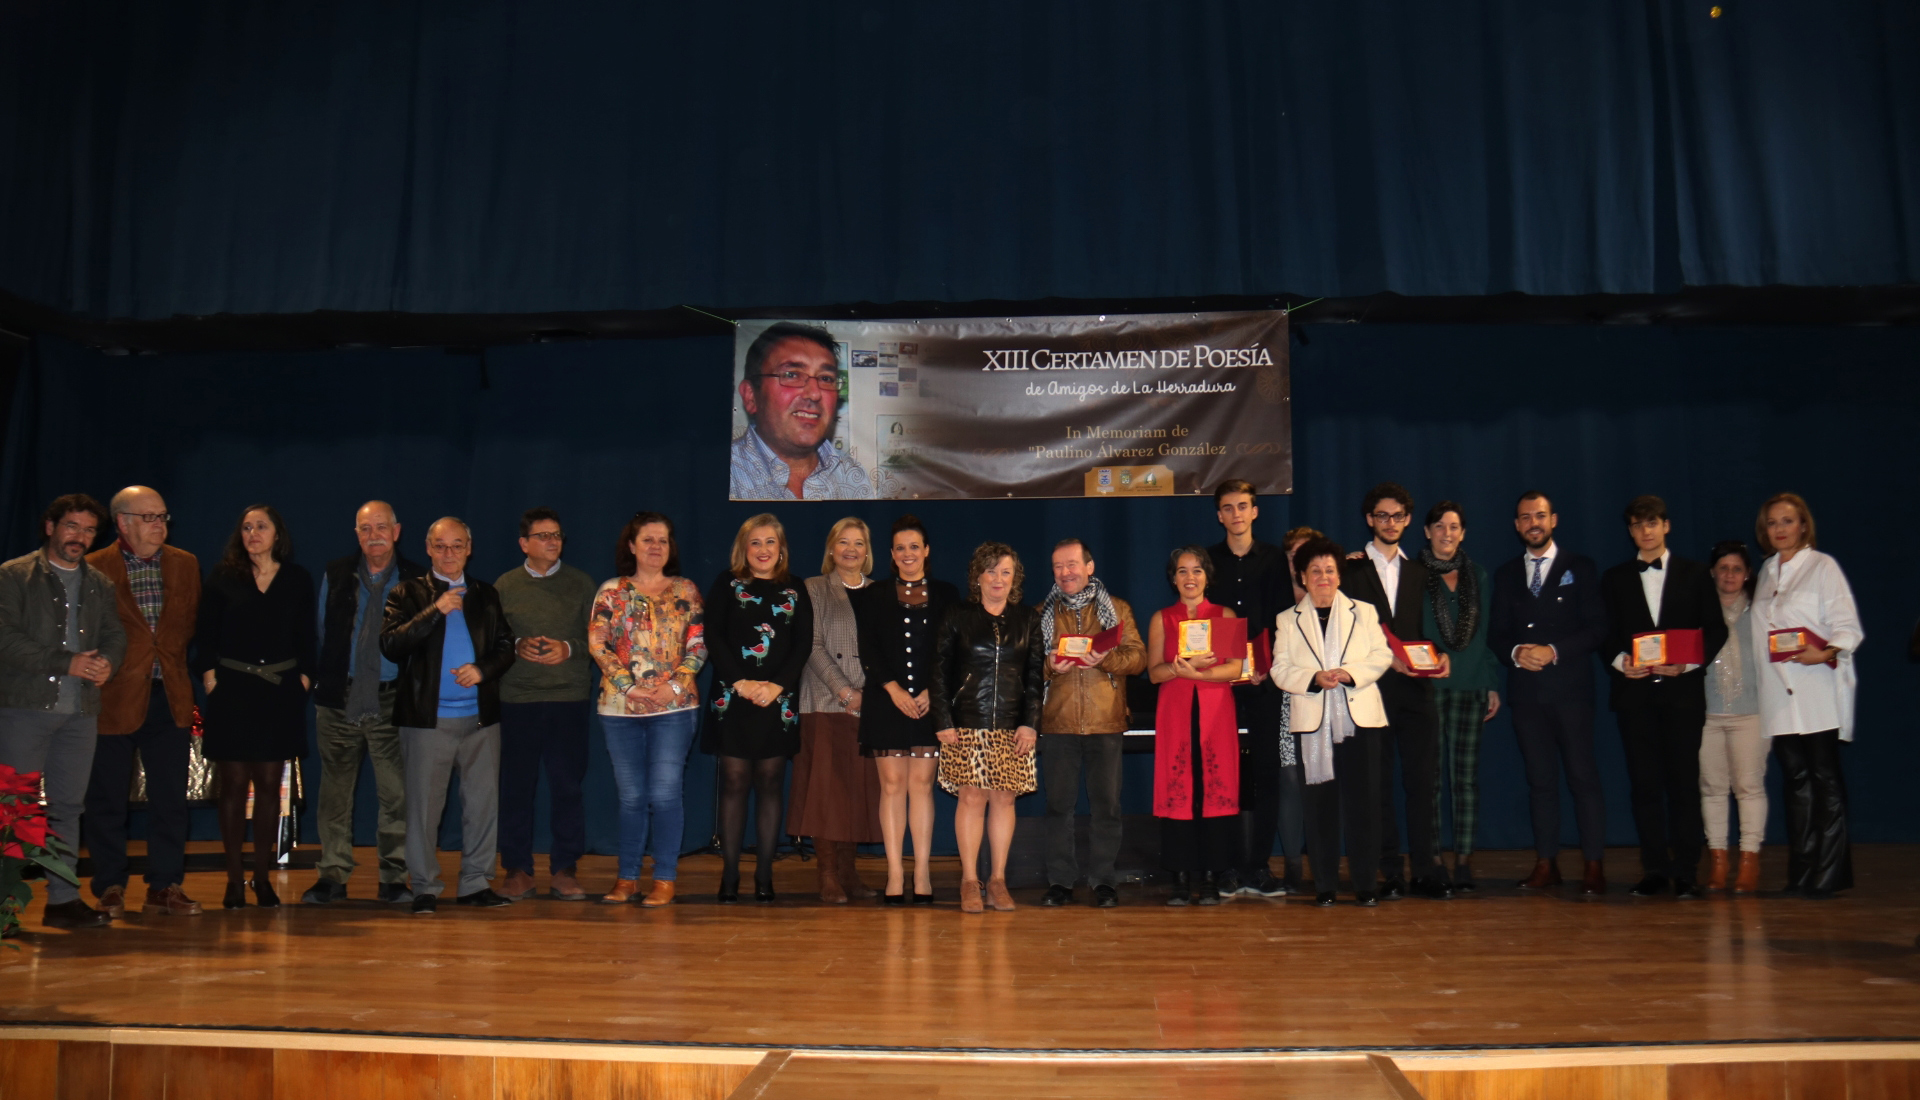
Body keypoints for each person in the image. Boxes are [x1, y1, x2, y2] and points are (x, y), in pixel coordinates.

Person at [0, 494, 126, 929]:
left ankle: (62, 900)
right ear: (50, 526)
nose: (81, 537)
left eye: (89, 531)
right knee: (13, 809)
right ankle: (5, 907)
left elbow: (114, 634)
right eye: (73, 526)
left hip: (80, 712)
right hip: (24, 710)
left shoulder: (99, 583)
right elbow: (5, 638)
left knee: (68, 809)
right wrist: (65, 662)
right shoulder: (14, 575)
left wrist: (108, 662)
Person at [380, 517, 516, 914]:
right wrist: (434, 611)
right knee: (423, 809)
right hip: (427, 721)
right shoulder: (406, 593)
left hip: (480, 720)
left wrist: (483, 670)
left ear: (469, 549)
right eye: (441, 546)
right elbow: (391, 645)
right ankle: (424, 886)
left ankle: (476, 883)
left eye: (457, 546)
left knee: (482, 806)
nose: (449, 553)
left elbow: (506, 645)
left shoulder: (485, 594)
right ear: (428, 549)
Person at [1600, 495, 1727, 901]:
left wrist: (1686, 664)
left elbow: (1716, 629)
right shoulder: (1615, 578)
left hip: (1682, 696)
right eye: (1638, 525)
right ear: (1630, 531)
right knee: (1645, 786)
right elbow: (1604, 633)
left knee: (1684, 785)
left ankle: (1686, 871)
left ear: (1666, 526)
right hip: (1635, 696)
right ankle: (1654, 870)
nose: (1646, 531)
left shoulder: (1696, 573)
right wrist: (1621, 662)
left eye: (1652, 523)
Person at [84, 486, 202, 918]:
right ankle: (110, 886)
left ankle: (164, 886)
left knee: (170, 800)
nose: (159, 525)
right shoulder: (94, 566)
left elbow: (187, 626)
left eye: (163, 516)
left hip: (169, 695)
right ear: (123, 522)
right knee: (107, 800)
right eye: (149, 517)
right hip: (112, 697)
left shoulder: (185, 563)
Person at [192, 505, 316, 910]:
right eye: (246, 527)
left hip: (279, 693)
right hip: (232, 692)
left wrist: (304, 679)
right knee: (232, 786)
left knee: (268, 787)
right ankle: (233, 880)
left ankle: (262, 879)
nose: (253, 533)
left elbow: (307, 636)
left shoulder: (296, 578)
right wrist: (209, 677)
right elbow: (204, 633)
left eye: (261, 526)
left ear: (277, 534)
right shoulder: (223, 576)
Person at [1487, 490, 1609, 895]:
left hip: (1571, 691)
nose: (1533, 523)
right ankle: (1546, 863)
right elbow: (1496, 634)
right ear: (1516, 525)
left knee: (1583, 777)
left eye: (1539, 515)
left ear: (1553, 519)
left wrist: (1554, 650)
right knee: (1540, 781)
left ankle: (1593, 864)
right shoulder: (1506, 574)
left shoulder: (1581, 567)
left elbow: (1597, 628)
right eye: (1525, 517)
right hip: (1527, 695)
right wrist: (1516, 652)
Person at [305, 500, 422, 905]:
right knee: (334, 795)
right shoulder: (336, 573)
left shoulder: (416, 579)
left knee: (396, 795)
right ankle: (332, 875)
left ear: (397, 531)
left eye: (381, 527)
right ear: (357, 534)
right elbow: (324, 631)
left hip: (393, 700)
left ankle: (393, 877)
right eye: (366, 529)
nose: (374, 536)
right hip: (340, 698)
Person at [1339, 483, 1452, 900]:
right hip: (1371, 692)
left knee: (1423, 784)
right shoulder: (1349, 571)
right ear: (1370, 519)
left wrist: (1441, 655)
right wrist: (1387, 660)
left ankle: (1425, 868)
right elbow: (1344, 634)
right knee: (1378, 785)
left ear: (1408, 520)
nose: (1391, 523)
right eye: (1383, 515)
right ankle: (1389, 871)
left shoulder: (1422, 572)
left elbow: (1429, 631)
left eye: (1398, 516)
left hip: (1417, 693)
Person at [587, 512, 706, 907]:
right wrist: (630, 687)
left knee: (665, 794)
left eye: (663, 540)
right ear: (632, 546)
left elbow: (699, 644)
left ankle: (665, 878)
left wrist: (674, 686)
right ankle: (628, 877)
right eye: (648, 539)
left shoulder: (686, 590)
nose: (656, 547)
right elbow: (598, 644)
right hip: (620, 709)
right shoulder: (611, 591)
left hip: (674, 708)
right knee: (631, 797)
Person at [1751, 492, 1861, 899]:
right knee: (1796, 782)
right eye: (1772, 523)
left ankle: (1829, 874)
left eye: (1787, 521)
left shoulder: (1822, 567)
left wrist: (1826, 652)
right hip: (1778, 694)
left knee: (1825, 780)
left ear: (1803, 526)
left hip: (1815, 689)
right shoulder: (1765, 572)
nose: (1779, 529)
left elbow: (1847, 626)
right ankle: (1801, 873)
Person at [1273, 537, 1393, 906]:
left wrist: (1350, 674)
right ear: (1303, 577)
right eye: (1315, 571)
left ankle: (1365, 884)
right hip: (1313, 722)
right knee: (1319, 807)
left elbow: (1381, 656)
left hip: (1360, 720)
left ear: (1339, 575)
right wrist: (1313, 678)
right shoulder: (1287, 620)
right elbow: (1280, 670)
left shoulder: (1364, 612)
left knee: (1364, 805)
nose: (1323, 577)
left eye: (1329, 570)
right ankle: (1325, 885)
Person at [703, 514, 814, 903]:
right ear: (743, 548)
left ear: (781, 548)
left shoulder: (795, 588)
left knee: (770, 782)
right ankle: (730, 874)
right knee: (734, 782)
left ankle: (765, 875)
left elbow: (803, 643)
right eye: (755, 542)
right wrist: (741, 682)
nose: (763, 549)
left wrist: (776, 686)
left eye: (770, 542)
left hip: (777, 700)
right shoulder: (727, 584)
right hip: (733, 696)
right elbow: (713, 636)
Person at [931, 541, 1043, 914]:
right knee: (971, 798)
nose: (998, 579)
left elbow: (1035, 676)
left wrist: (1030, 724)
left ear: (1015, 578)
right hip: (966, 724)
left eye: (1005, 572)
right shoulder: (957, 615)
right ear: (977, 577)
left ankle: (997, 881)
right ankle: (969, 881)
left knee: (1004, 799)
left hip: (1012, 727)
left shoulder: (1028, 619)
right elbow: (939, 671)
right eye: (991, 571)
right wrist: (943, 720)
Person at [493, 507, 598, 902]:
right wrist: (516, 645)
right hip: (517, 699)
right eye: (543, 536)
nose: (553, 542)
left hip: (568, 698)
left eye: (557, 535)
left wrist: (569, 648)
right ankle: (517, 870)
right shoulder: (505, 585)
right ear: (524, 543)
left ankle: (565, 869)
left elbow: (601, 639)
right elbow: (492, 640)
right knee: (516, 788)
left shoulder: (582, 583)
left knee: (567, 787)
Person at [1035, 538, 1146, 909]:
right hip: (1058, 723)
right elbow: (1025, 670)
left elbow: (1139, 659)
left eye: (1071, 564)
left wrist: (1106, 659)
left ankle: (1103, 881)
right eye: (1058, 566)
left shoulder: (1118, 608)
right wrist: (1049, 665)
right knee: (1058, 808)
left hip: (1105, 720)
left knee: (1107, 808)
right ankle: (1060, 882)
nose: (1065, 572)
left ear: (1089, 567)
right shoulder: (1041, 613)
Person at [852, 515, 956, 905]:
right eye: (900, 548)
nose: (907, 554)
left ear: (926, 551)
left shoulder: (947, 593)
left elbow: (952, 649)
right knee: (892, 786)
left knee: (921, 787)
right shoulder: (874, 594)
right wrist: (893, 689)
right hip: (886, 702)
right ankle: (895, 872)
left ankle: (922, 871)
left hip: (930, 703)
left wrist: (933, 690)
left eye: (914, 546)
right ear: (892, 555)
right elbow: (868, 648)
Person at [1206, 479, 1303, 898]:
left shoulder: (1276, 560)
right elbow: (1204, 622)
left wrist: (1268, 666)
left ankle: (1259, 866)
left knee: (1266, 773)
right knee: (1223, 772)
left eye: (1243, 506)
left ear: (1255, 511)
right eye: (1228, 508)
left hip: (1265, 683)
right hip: (1220, 685)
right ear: (1219, 515)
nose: (1237, 514)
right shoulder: (1208, 561)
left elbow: (1285, 619)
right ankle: (1227, 866)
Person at [792, 518, 882, 903]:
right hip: (825, 702)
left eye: (858, 543)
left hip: (870, 706)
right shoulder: (814, 588)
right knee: (825, 793)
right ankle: (826, 873)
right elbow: (811, 645)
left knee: (856, 793)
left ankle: (849, 873)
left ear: (867, 552)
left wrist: (870, 694)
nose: (851, 550)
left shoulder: (880, 592)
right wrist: (845, 691)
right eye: (843, 542)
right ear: (831, 548)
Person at [1147, 546, 1243, 907]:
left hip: (1216, 710)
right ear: (1173, 578)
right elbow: (1154, 673)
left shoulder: (1225, 614)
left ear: (1207, 576)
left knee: (1213, 787)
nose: (1190, 578)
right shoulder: (1161, 618)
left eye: (1197, 571)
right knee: (1179, 789)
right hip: (1176, 710)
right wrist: (1181, 668)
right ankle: (1180, 879)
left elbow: (1235, 668)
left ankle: (1212, 878)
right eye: (1182, 571)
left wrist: (1199, 673)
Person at [1417, 503, 1499, 892]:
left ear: (1463, 533)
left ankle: (1463, 859)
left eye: (1453, 527)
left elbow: (1486, 632)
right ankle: (1434, 859)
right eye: (1439, 526)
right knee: (1430, 779)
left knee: (1465, 779)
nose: (1446, 533)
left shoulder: (1477, 574)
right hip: (1429, 688)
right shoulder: (1413, 574)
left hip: (1472, 684)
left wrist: (1492, 682)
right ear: (1427, 531)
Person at [729, 322, 871, 500]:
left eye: (826, 378)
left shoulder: (852, 476)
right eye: (792, 375)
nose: (814, 394)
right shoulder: (722, 473)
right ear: (751, 396)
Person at [1701, 540, 1764, 894]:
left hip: (1750, 713)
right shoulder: (1698, 609)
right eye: (1723, 568)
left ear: (1748, 574)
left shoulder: (1761, 611)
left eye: (1737, 569)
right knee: (1712, 788)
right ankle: (1718, 861)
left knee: (1748, 788)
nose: (1729, 575)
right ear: (1712, 572)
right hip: (1706, 713)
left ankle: (1749, 860)